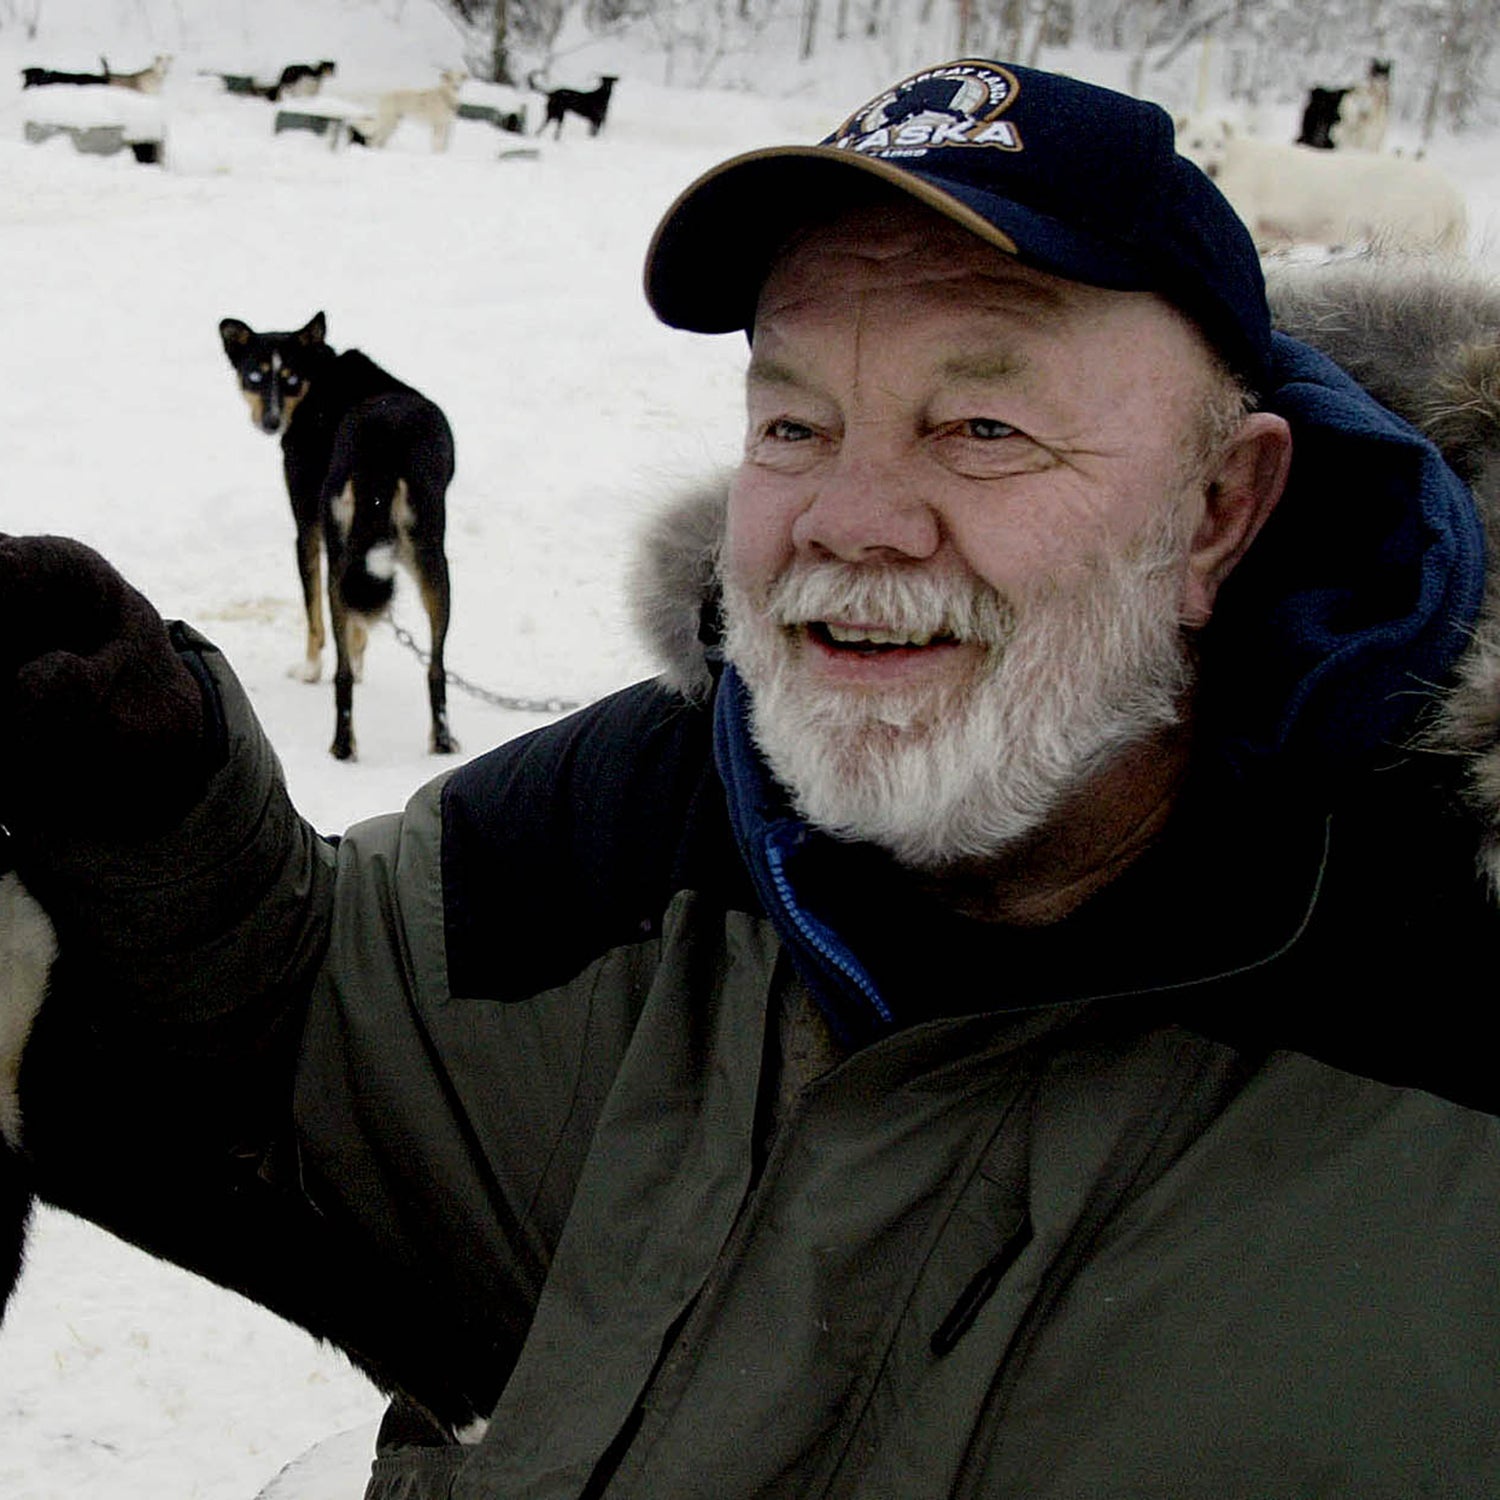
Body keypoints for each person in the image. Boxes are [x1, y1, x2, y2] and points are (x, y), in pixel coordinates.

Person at [4, 56, 1500, 1498]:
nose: (850, 519)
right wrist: (153, 793)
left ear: (1223, 507)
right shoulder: (667, 810)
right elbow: (320, 1019)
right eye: (795, 423)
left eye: (983, 427)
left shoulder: (1443, 1052)